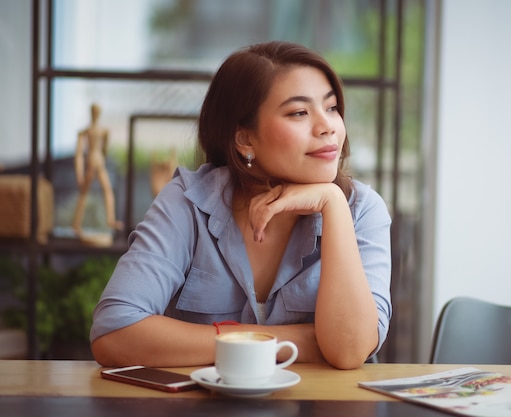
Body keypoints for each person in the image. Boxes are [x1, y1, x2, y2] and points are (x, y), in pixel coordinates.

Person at [90, 41, 392, 370]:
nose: (327, 126)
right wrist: (292, 340)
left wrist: (332, 203)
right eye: (299, 113)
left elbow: (349, 351)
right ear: (245, 139)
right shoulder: (188, 203)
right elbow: (115, 332)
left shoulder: (361, 210)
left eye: (331, 108)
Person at [73, 103, 123, 241]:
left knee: (105, 190)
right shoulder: (87, 131)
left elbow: (105, 148)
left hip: (97, 161)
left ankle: (110, 220)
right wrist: (79, 173)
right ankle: (76, 224)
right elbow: (78, 154)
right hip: (93, 162)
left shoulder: (101, 131)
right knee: (86, 193)